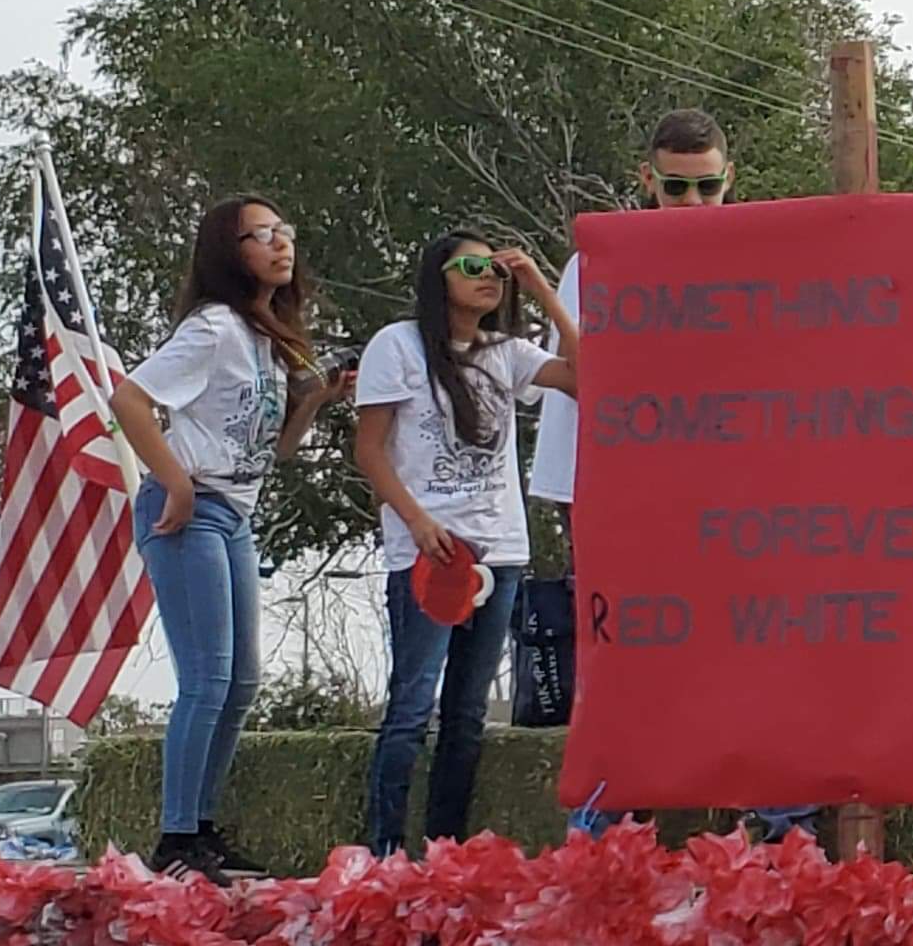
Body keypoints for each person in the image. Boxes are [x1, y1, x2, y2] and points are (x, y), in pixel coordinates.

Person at [108, 194, 332, 878]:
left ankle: (201, 827)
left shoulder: (264, 339)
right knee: (206, 678)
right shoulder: (212, 329)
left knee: (241, 682)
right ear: (227, 254)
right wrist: (173, 479)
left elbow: (277, 450)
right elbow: (128, 399)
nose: (279, 244)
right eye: (260, 235)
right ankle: (176, 839)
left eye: (284, 231)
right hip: (191, 508)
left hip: (233, 511)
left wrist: (317, 398)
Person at [356, 229, 580, 855]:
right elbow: (369, 450)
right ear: (439, 276)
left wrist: (541, 288)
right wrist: (417, 521)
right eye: (472, 267)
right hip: (430, 550)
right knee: (411, 707)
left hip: (501, 552)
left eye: (496, 271)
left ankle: (445, 850)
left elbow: (592, 376)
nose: (489, 278)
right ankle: (386, 851)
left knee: (470, 715)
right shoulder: (397, 346)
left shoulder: (506, 351)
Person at [523, 108, 733, 516]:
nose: (692, 201)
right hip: (611, 484)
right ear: (648, 178)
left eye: (707, 186)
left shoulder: (764, 262)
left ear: (729, 177)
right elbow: (574, 376)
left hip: (724, 485)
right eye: (675, 187)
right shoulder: (599, 263)